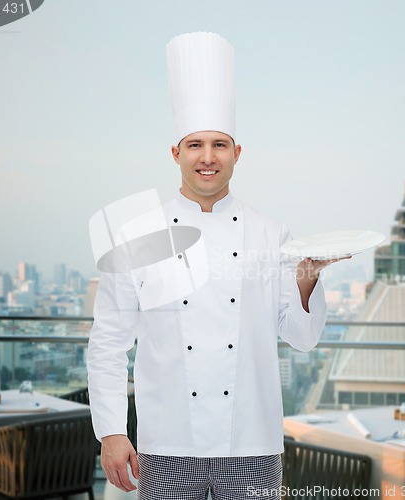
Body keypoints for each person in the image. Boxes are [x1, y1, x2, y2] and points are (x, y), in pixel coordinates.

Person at [87, 32, 342, 500]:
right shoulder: (138, 234)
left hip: (253, 442)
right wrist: (111, 431)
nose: (208, 158)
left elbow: (302, 339)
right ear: (175, 153)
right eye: (195, 145)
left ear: (237, 153)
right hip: (166, 443)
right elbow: (108, 342)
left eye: (220, 145)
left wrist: (308, 280)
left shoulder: (272, 233)